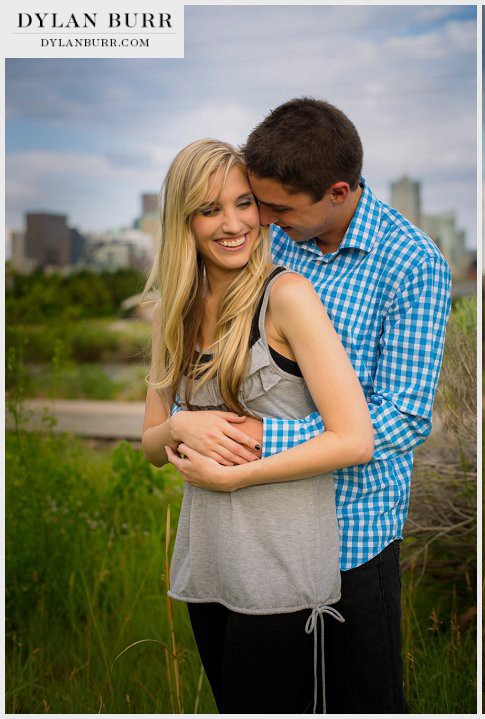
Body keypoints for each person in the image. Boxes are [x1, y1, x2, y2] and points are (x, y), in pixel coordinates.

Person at [164, 99, 453, 712]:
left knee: (360, 698)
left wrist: (256, 443)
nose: (262, 218)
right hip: (264, 527)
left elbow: (401, 414)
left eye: (276, 208)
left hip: (353, 530)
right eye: (257, 203)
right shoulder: (277, 237)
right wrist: (183, 422)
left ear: (338, 192)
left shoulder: (413, 265)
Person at [141, 139, 374, 713]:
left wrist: (236, 478)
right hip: (209, 565)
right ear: (184, 221)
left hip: (281, 574)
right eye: (210, 209)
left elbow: (355, 439)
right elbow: (149, 443)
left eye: (245, 204)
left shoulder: (287, 297)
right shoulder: (174, 308)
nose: (233, 224)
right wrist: (179, 429)